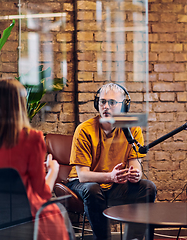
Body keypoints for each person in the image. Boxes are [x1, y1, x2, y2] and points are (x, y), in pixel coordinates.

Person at [0, 78, 74, 240]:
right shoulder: (31, 138)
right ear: (20, 105)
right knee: (60, 213)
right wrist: (53, 171)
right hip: (21, 223)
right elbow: (42, 194)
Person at [66, 83, 157, 240]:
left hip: (113, 185)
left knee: (148, 187)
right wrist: (110, 177)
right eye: (102, 101)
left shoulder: (132, 128)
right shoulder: (84, 130)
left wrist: (136, 174)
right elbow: (83, 176)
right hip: (81, 184)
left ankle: (132, 238)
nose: (106, 106)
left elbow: (134, 162)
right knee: (93, 190)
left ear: (124, 106)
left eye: (112, 102)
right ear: (97, 104)